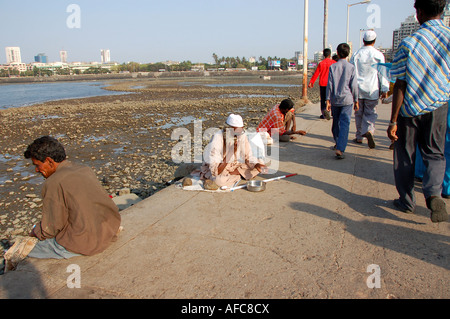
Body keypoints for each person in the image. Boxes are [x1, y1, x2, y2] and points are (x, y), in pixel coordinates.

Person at [387, 0, 450, 223]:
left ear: (420, 12)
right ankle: (433, 194)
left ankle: (406, 201)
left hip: (410, 108)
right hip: (439, 105)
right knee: (435, 153)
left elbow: (400, 84)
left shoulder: (409, 43)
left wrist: (393, 120)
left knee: (405, 153)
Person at [23, 136, 122, 259]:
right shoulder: (84, 169)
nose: (37, 170)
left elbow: (51, 228)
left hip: (86, 243)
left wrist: (35, 232)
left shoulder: (53, 182)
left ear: (49, 161)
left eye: (37, 165)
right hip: (109, 230)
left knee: (28, 251)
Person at [201, 114, 268, 189]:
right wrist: (230, 152)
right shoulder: (217, 138)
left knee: (260, 164)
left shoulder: (241, 135)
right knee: (218, 181)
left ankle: (236, 173)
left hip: (236, 165)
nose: (238, 135)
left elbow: (248, 156)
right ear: (227, 129)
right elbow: (216, 171)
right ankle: (238, 175)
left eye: (240, 131)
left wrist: (257, 165)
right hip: (222, 167)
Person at [350, 30, 390, 148]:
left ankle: (359, 137)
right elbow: (382, 74)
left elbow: (352, 73)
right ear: (374, 41)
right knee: (371, 113)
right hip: (372, 89)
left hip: (358, 89)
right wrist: (385, 89)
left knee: (358, 113)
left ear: (363, 40)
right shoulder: (378, 55)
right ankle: (369, 131)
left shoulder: (356, 54)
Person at [326, 43, 359, 160]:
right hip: (347, 99)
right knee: (345, 123)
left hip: (335, 99)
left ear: (338, 53)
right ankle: (340, 147)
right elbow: (354, 85)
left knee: (336, 123)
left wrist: (327, 100)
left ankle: (337, 142)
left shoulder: (333, 67)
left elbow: (329, 85)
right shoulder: (351, 67)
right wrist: (356, 100)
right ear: (348, 53)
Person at [308, 48, 336, 120]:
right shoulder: (333, 63)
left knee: (323, 99)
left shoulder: (321, 63)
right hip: (331, 84)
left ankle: (324, 113)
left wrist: (311, 82)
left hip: (323, 83)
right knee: (331, 98)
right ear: (330, 55)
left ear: (324, 55)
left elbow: (316, 74)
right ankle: (332, 112)